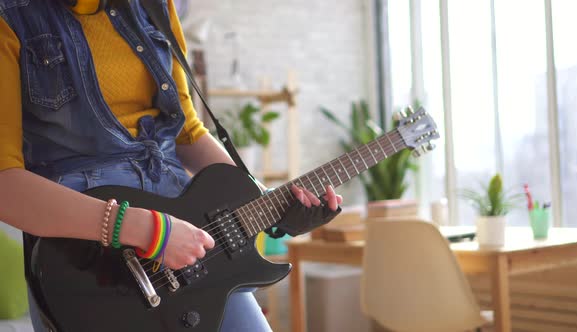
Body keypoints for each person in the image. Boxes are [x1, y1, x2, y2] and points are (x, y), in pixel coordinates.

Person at [0, 0, 342, 331]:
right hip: (89, 268)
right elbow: (5, 185)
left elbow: (187, 133)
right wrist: (145, 230)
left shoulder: (156, 6)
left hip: (190, 255)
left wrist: (268, 204)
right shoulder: (10, 14)